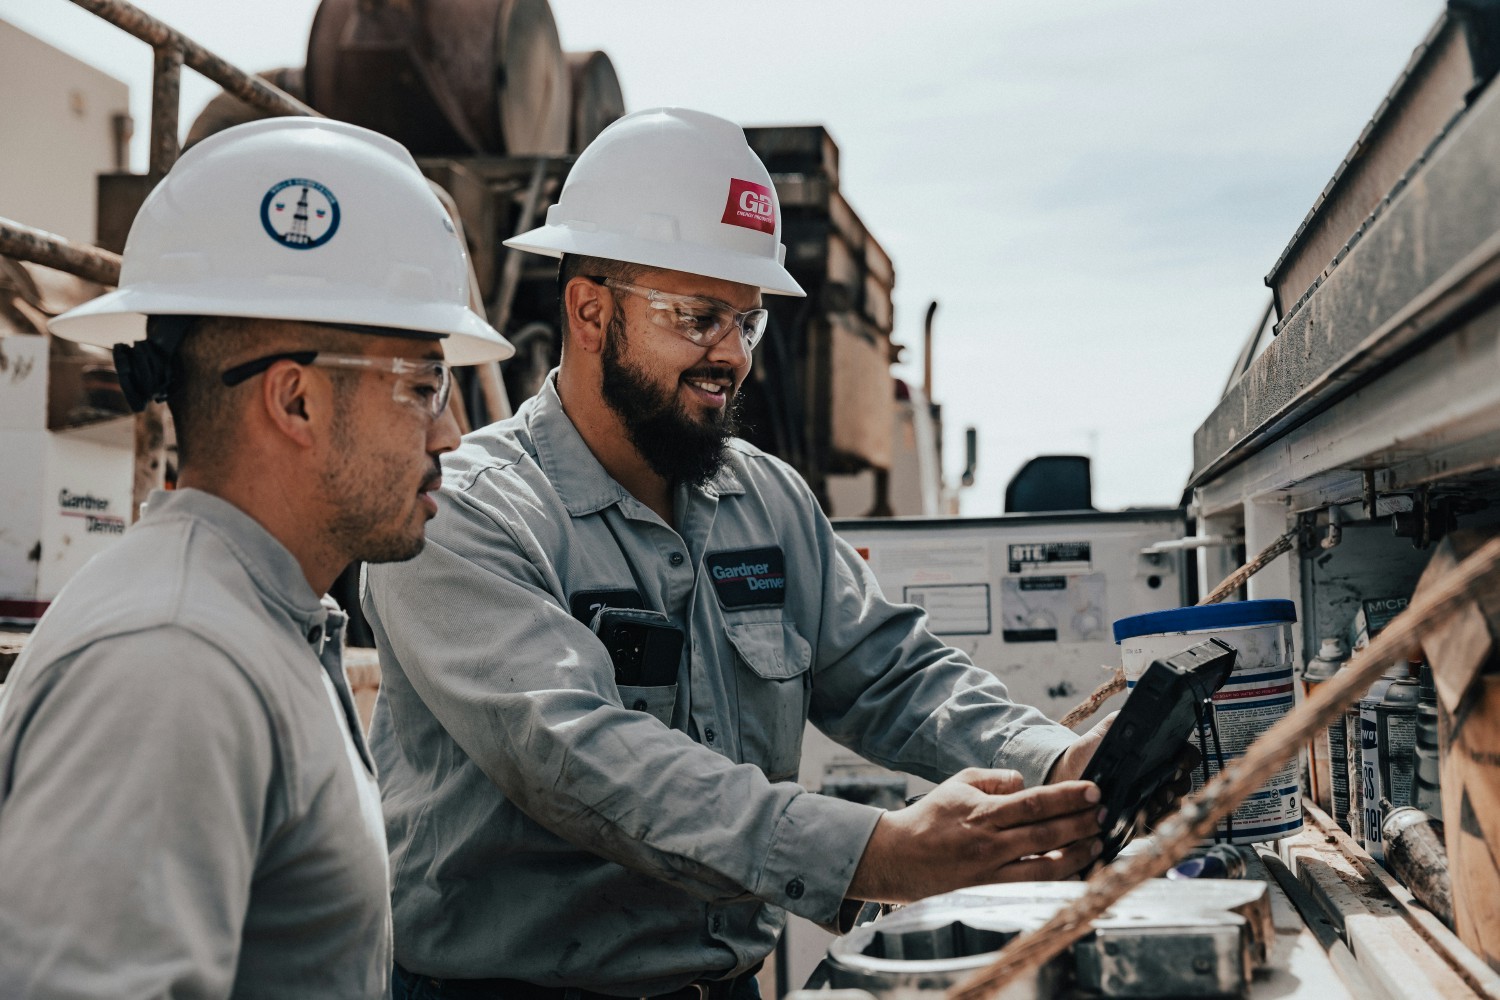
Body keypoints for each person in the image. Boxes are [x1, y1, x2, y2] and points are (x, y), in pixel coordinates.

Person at [363, 108, 1161, 999]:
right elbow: (575, 755)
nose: (732, 358)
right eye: (698, 317)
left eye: (747, 322)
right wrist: (878, 854)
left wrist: (1055, 762)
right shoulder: (464, 516)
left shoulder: (766, 499)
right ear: (589, 310)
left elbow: (891, 670)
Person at [0, 117, 512, 998]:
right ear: (296, 400)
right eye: (425, 386)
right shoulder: (173, 664)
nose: (453, 433)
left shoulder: (258, 624)